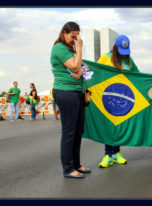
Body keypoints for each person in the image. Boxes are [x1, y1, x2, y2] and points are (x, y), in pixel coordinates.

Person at [50, 21, 90, 179]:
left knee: (78, 130)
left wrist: (81, 68)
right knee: (69, 132)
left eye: (78, 37)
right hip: (66, 92)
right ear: (64, 33)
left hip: (77, 92)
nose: (76, 39)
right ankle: (68, 168)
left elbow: (84, 67)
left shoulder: (70, 49)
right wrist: (80, 48)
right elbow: (74, 67)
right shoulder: (59, 47)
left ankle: (76, 164)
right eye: (73, 36)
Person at [97, 34, 139, 168]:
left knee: (119, 125)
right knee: (110, 126)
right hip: (108, 97)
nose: (123, 55)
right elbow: (95, 73)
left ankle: (116, 153)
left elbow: (138, 75)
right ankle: (107, 155)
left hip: (124, 99)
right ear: (115, 47)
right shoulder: (105, 57)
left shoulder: (129, 60)